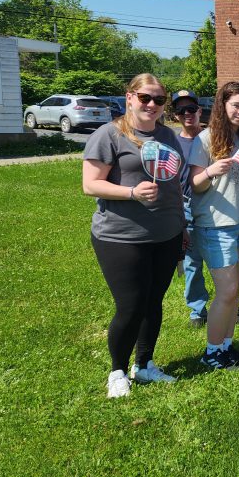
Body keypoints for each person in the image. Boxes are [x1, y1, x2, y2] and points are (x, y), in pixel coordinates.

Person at [83, 74, 185, 397]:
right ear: (129, 97)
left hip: (166, 234)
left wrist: (181, 229)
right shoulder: (109, 135)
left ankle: (145, 365)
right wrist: (131, 192)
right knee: (131, 306)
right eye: (145, 98)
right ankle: (117, 371)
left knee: (154, 303)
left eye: (159, 100)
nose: (152, 105)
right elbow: (91, 184)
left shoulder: (168, 135)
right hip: (120, 236)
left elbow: (172, 187)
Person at [189, 81, 239, 370]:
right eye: (236, 105)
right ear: (223, 106)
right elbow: (194, 184)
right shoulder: (205, 139)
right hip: (216, 225)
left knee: (234, 291)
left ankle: (226, 346)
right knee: (228, 292)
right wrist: (210, 170)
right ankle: (211, 352)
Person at [170, 89, 209, 328]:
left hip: (213, 204)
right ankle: (197, 309)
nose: (187, 114)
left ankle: (228, 305)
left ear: (199, 111)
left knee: (222, 259)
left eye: (191, 109)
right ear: (175, 115)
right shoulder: (172, 142)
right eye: (181, 110)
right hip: (186, 205)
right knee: (193, 261)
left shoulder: (211, 138)